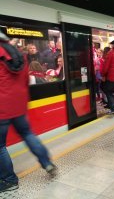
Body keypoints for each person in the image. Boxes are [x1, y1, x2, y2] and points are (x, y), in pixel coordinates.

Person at [0, 31, 57, 193]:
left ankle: (9, 180)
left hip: (1, 108)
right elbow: (25, 80)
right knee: (27, 134)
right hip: (18, 105)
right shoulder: (19, 54)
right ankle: (47, 163)